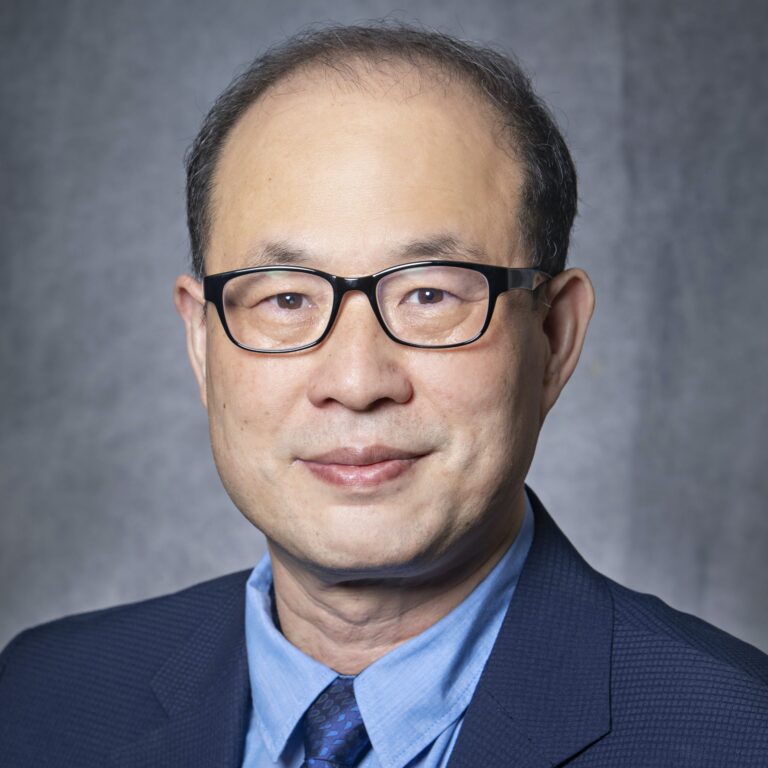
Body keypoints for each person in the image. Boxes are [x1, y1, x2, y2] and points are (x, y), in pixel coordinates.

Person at [1, 22, 766, 768]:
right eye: (286, 299)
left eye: (430, 293)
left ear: (555, 338)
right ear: (202, 343)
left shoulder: (737, 737)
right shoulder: (41, 699)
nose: (356, 383)